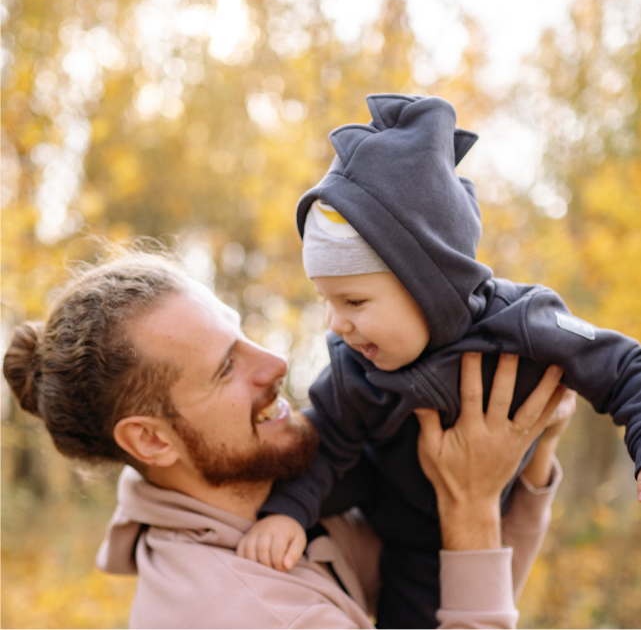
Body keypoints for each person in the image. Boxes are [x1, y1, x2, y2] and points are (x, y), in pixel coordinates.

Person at [2, 251, 572, 629]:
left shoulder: (273, 494)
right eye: (226, 367)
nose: (275, 363)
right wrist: (471, 507)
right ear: (151, 441)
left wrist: (526, 456)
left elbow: (451, 578)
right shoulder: (250, 612)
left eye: (243, 335)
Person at [241, 93, 641, 629]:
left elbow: (623, 368)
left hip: (431, 548)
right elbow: (328, 439)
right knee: (274, 472)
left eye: (354, 302)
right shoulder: (354, 367)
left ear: (428, 283)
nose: (336, 325)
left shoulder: (523, 322)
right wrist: (285, 513)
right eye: (327, 302)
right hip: (380, 494)